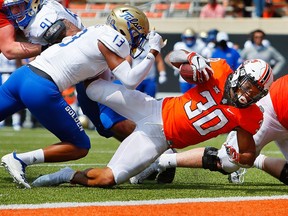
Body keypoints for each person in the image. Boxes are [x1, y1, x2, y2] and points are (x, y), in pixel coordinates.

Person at [31, 52, 273, 188]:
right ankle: (67, 62)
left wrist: (242, 158)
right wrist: (191, 58)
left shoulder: (251, 115)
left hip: (159, 139)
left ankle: (66, 175)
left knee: (107, 179)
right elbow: (173, 58)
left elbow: (248, 153)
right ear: (240, 74)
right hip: (153, 109)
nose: (248, 93)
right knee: (94, 90)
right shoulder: (219, 70)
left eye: (256, 92)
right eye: (249, 86)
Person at [0, 4, 165, 189]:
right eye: (138, 33)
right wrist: (153, 51)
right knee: (80, 145)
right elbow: (130, 80)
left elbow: (92, 81)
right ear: (125, 28)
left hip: (22, 76)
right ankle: (19, 159)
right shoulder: (114, 39)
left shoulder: (95, 31)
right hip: (41, 87)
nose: (139, 39)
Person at [165, 27, 205, 93]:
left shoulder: (200, 45)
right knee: (186, 98)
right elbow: (167, 58)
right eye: (187, 38)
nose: (189, 40)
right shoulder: (179, 46)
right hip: (184, 77)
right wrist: (176, 67)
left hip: (198, 77)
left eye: (191, 38)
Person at [0, 53, 22, 130]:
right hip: (2, 74)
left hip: (12, 74)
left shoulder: (13, 50)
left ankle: (16, 122)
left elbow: (19, 64)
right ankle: (1, 122)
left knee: (16, 99)